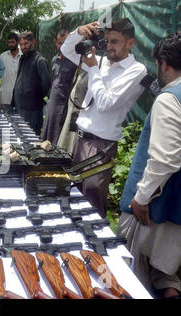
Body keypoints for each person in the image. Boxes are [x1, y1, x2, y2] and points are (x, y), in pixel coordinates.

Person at [60, 18, 147, 218]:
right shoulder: (101, 62)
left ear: (130, 43)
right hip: (80, 140)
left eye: (115, 42)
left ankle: (94, 248)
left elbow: (105, 103)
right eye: (107, 41)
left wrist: (92, 69)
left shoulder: (136, 71)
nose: (109, 47)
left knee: (92, 204)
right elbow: (67, 50)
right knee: (74, 197)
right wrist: (79, 32)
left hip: (101, 145)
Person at [118, 31, 181, 299]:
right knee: (166, 272)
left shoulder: (169, 98)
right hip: (176, 204)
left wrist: (141, 198)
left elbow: (166, 157)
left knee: (135, 272)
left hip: (158, 205)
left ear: (163, 63)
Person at [10, 31, 51, 136]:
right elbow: (18, 80)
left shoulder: (40, 61)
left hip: (33, 111)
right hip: (19, 108)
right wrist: (13, 103)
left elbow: (46, 85)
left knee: (31, 141)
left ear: (33, 42)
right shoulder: (22, 59)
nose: (23, 47)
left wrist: (40, 101)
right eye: (21, 45)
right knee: (19, 138)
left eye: (26, 44)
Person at [41, 30, 78, 144]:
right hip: (53, 104)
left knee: (60, 137)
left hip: (65, 106)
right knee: (48, 134)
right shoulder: (54, 60)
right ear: (55, 43)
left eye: (64, 43)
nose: (62, 46)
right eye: (59, 43)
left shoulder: (75, 61)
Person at [0, 32, 21, 105]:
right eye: (9, 42)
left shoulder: (23, 56)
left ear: (17, 42)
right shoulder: (3, 56)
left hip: (20, 96)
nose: (10, 44)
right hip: (5, 95)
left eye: (13, 42)